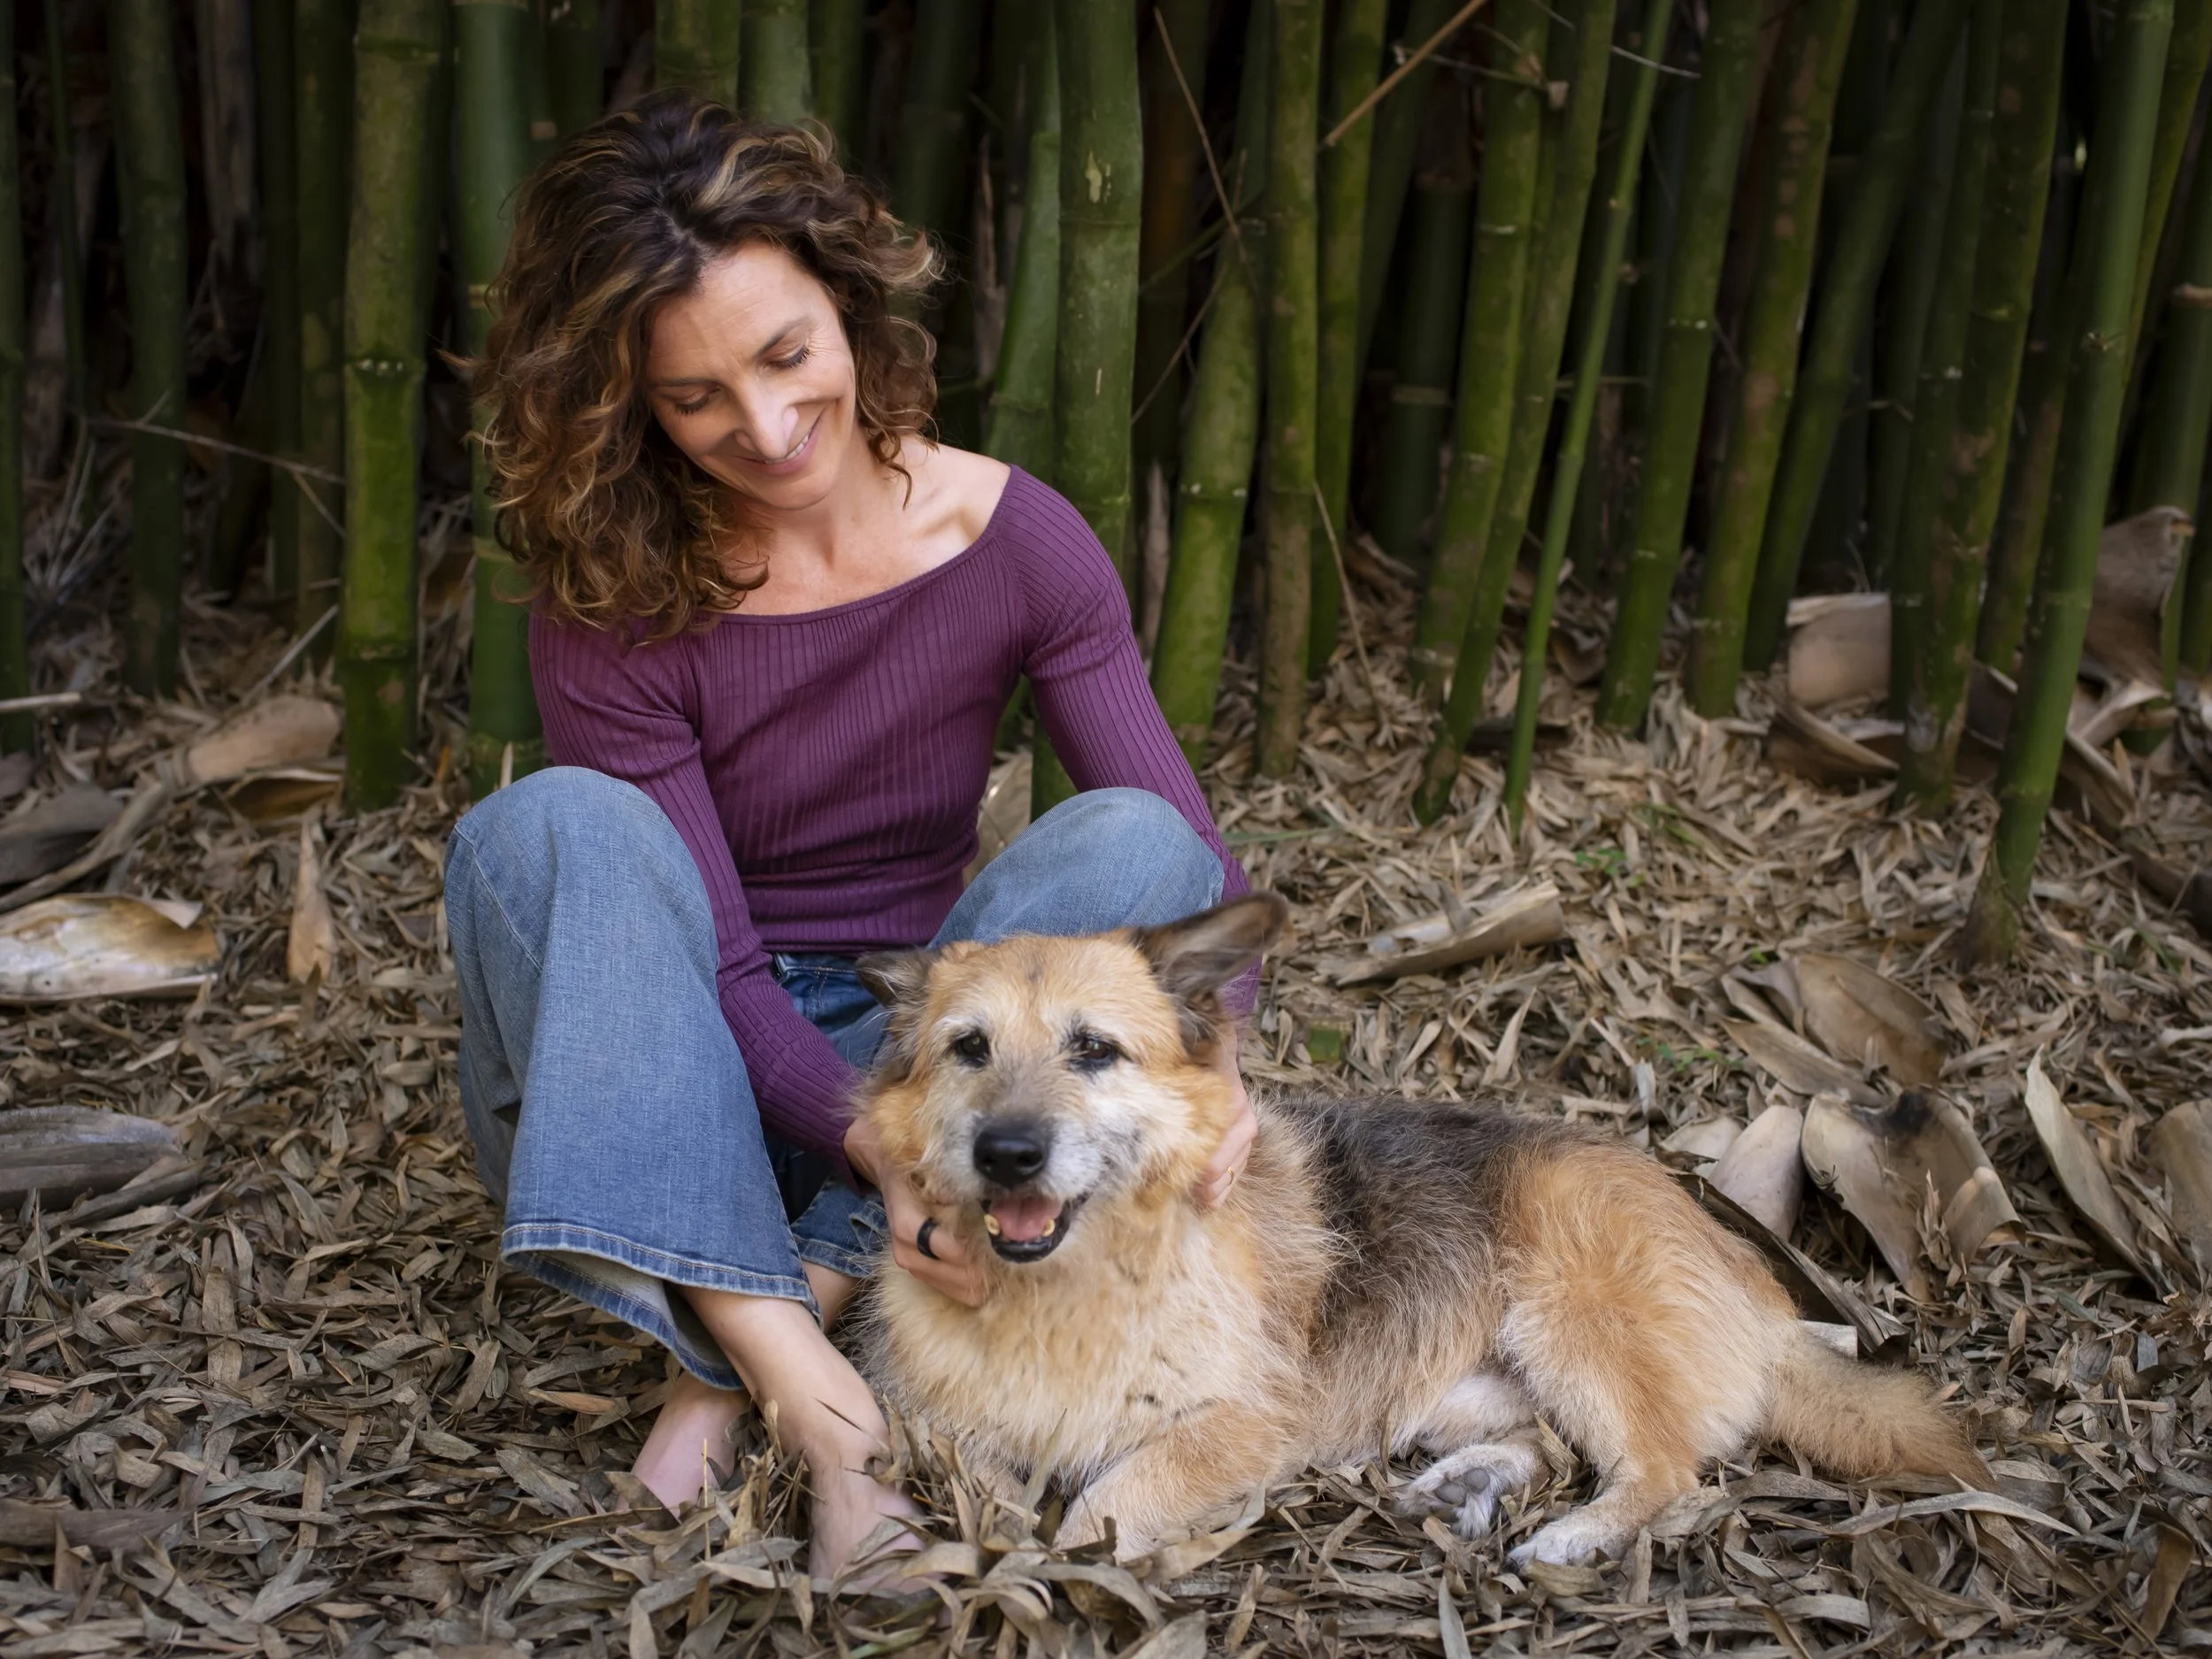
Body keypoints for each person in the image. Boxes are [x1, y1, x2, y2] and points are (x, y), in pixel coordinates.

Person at [441, 91, 1257, 1582]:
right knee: (557, 825)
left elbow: (1189, 865)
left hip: (933, 1052)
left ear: (852, 304)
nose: (762, 429)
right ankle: (823, 1414)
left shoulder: (1012, 542)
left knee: (1130, 837)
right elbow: (719, 967)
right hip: (663, 1062)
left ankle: (745, 1330)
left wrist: (1227, 1069)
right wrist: (877, 1149)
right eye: (693, 398)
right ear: (630, 407)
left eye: (785, 354)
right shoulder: (615, 585)